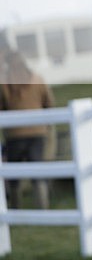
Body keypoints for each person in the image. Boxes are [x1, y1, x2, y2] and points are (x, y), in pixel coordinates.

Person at [1, 51, 54, 209]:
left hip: (14, 134)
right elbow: (49, 102)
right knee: (37, 171)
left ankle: (15, 208)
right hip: (38, 132)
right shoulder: (37, 79)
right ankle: (42, 207)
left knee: (13, 173)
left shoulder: (5, 84)